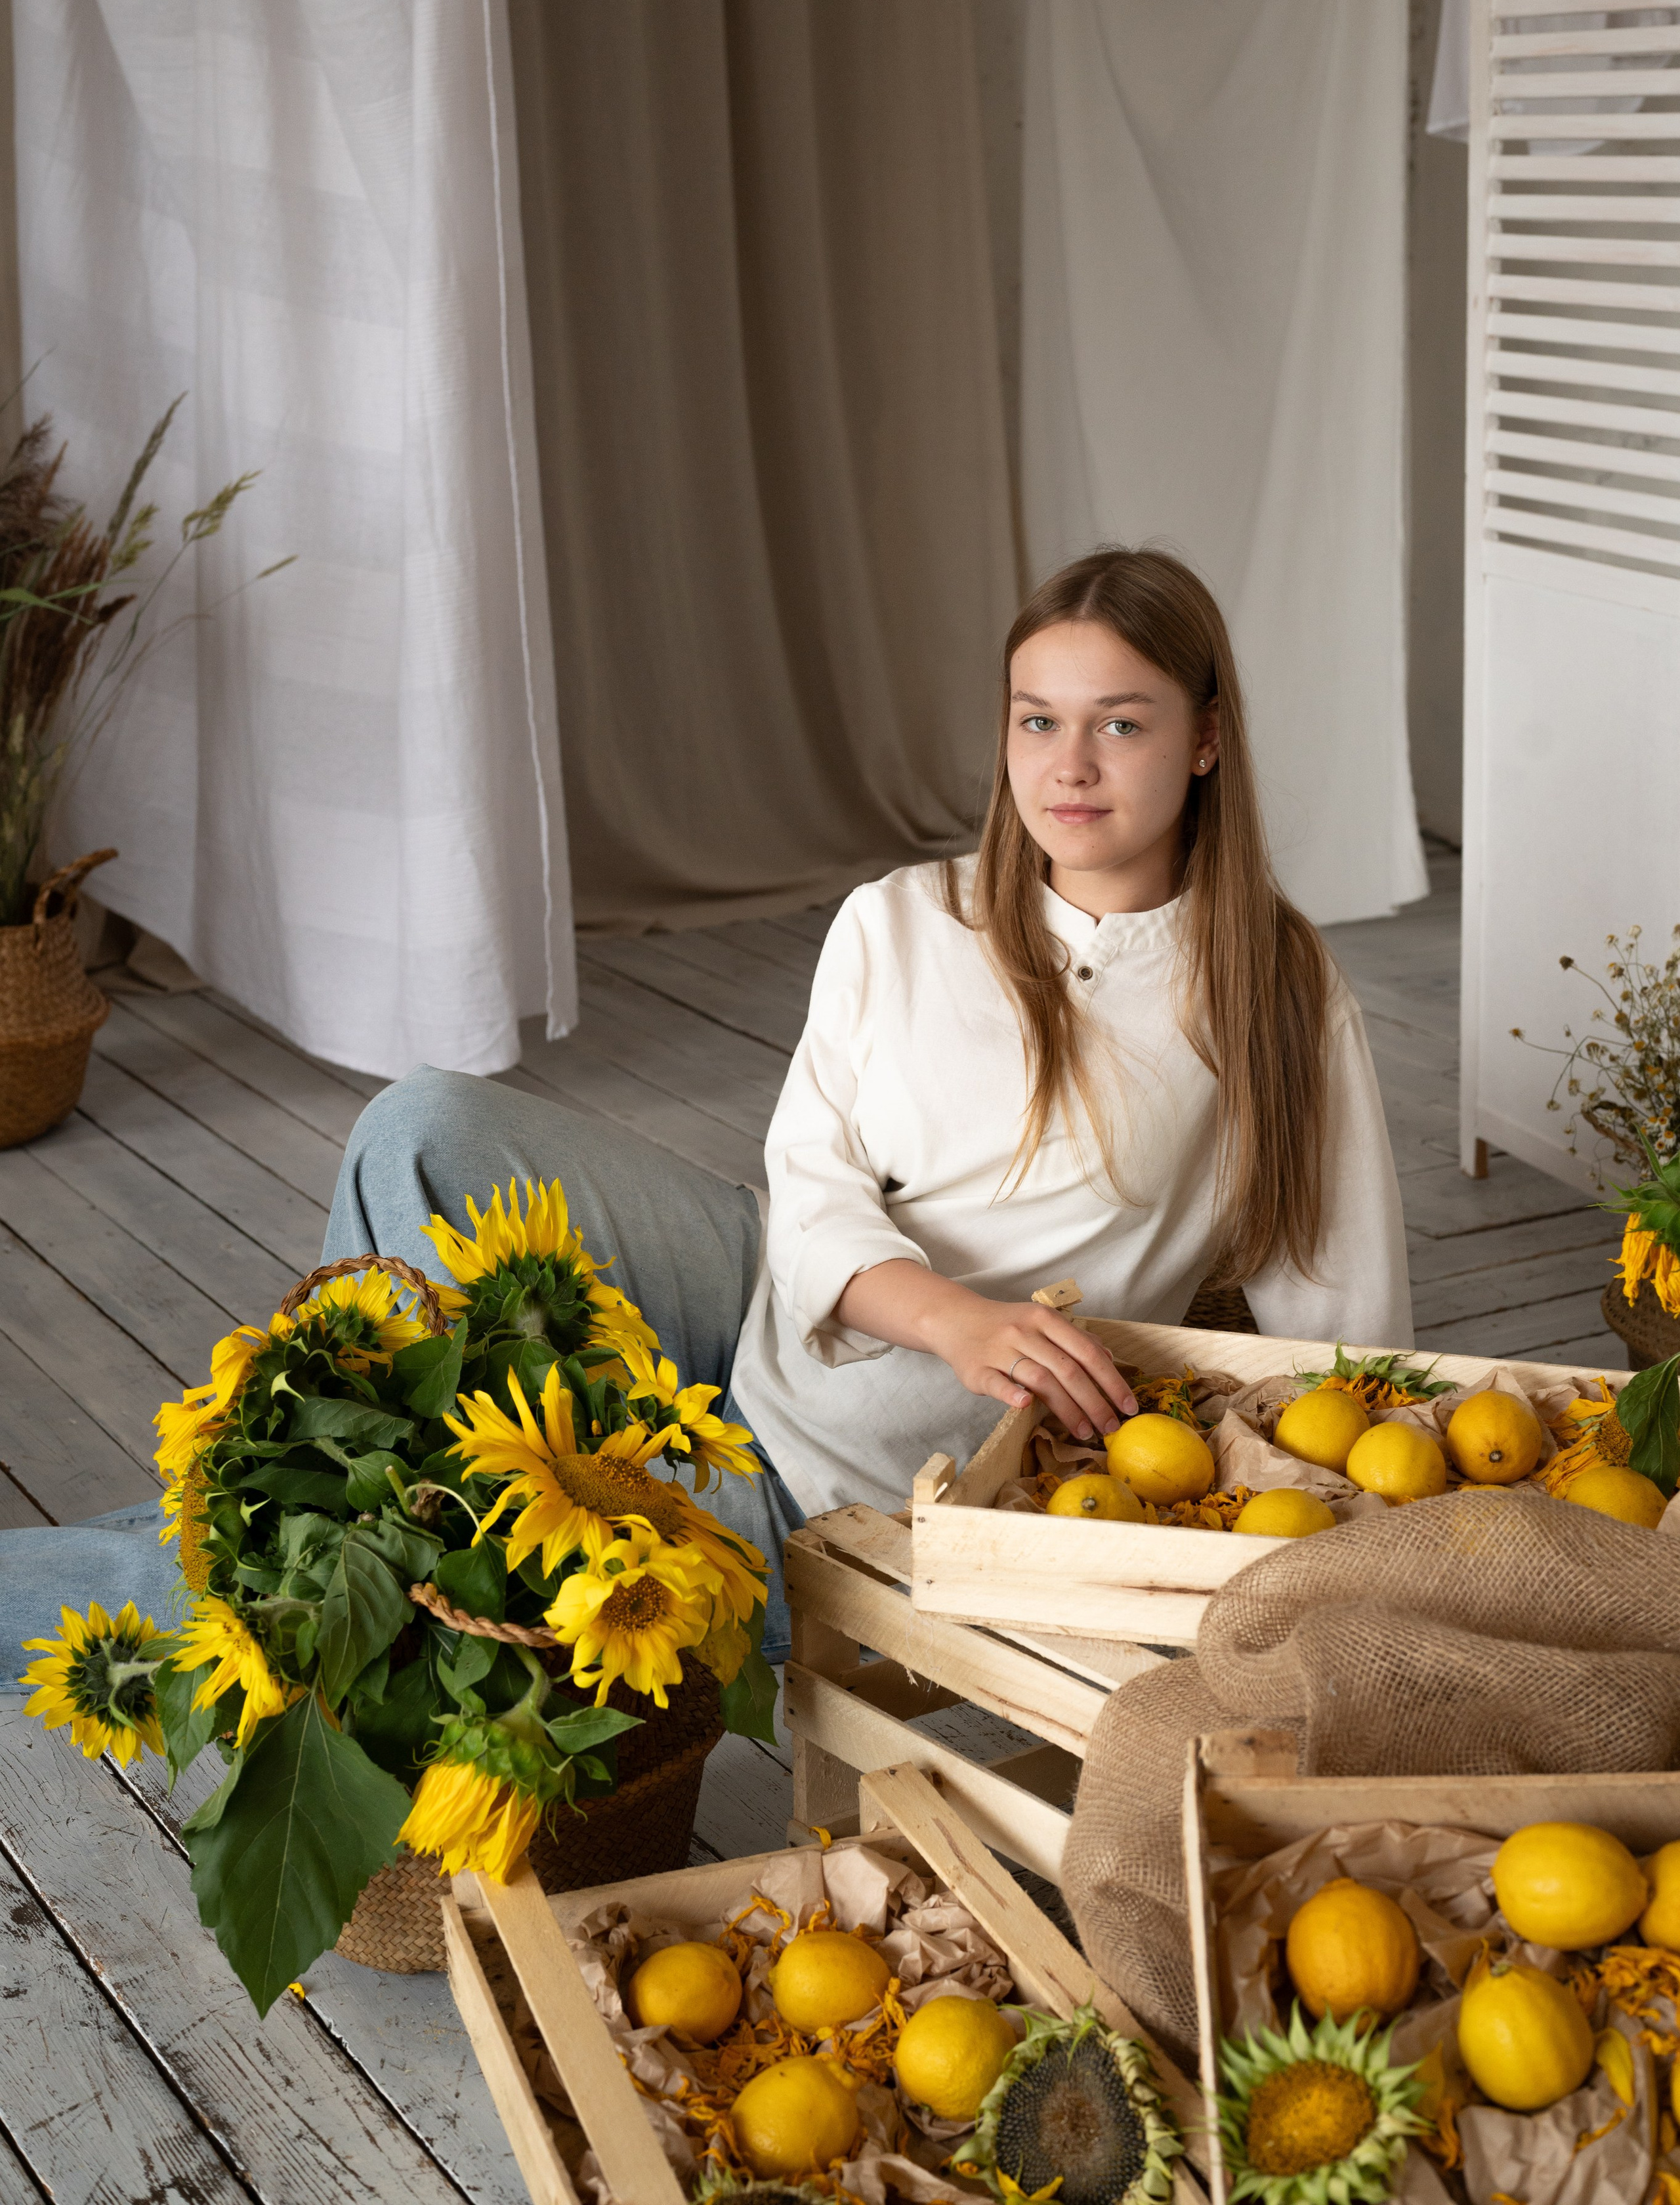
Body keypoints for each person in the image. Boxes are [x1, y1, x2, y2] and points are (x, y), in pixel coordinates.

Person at [1, 546, 1408, 1675]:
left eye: (1121, 723)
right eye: (1036, 720)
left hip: (866, 1473)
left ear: (1207, 739)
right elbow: (809, 1170)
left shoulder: (1275, 990)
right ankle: (382, 1463)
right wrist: (948, 1308)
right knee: (423, 1124)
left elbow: (1343, 1322)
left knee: (381, 1557)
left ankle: (367, 1540)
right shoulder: (906, 917)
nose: (1068, 767)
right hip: (771, 1291)